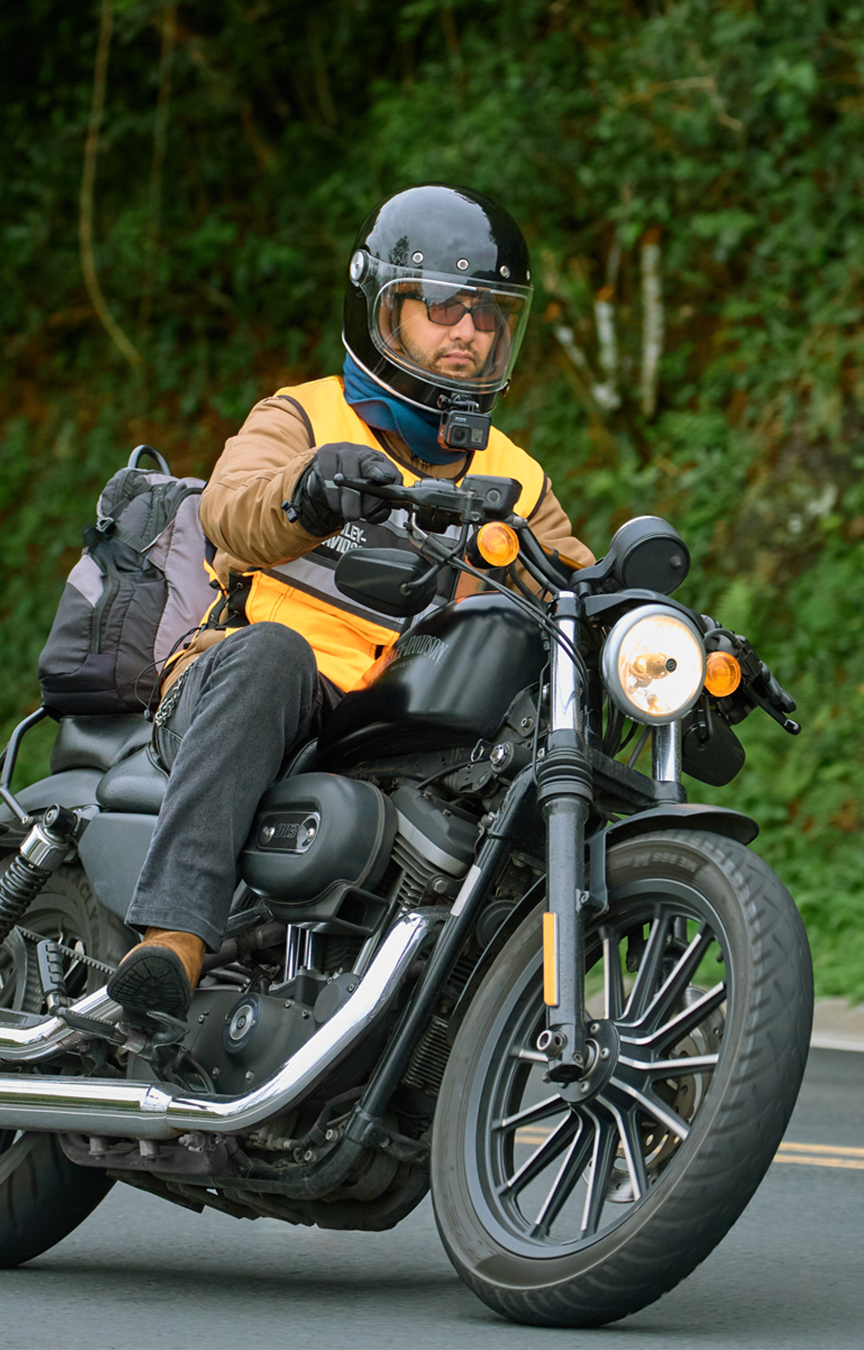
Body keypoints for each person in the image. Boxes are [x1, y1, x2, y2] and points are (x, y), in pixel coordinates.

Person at [108, 183, 594, 1025]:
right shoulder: (304, 415)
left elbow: (572, 583)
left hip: (400, 715)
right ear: (383, 311)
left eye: (488, 313)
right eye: (442, 306)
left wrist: (658, 624)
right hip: (248, 687)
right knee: (274, 654)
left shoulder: (515, 474)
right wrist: (310, 490)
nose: (468, 331)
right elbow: (229, 509)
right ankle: (173, 937)